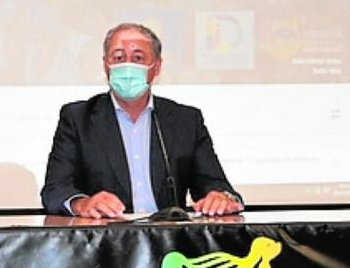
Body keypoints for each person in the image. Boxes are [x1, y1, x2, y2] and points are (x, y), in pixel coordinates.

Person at [40, 22, 242, 218]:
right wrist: (81, 204)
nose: (127, 66)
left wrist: (221, 198)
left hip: (169, 237)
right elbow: (55, 190)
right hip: (106, 236)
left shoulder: (185, 120)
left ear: (157, 67)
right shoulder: (78, 119)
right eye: (118, 57)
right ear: (106, 65)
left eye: (138, 58)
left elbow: (215, 184)